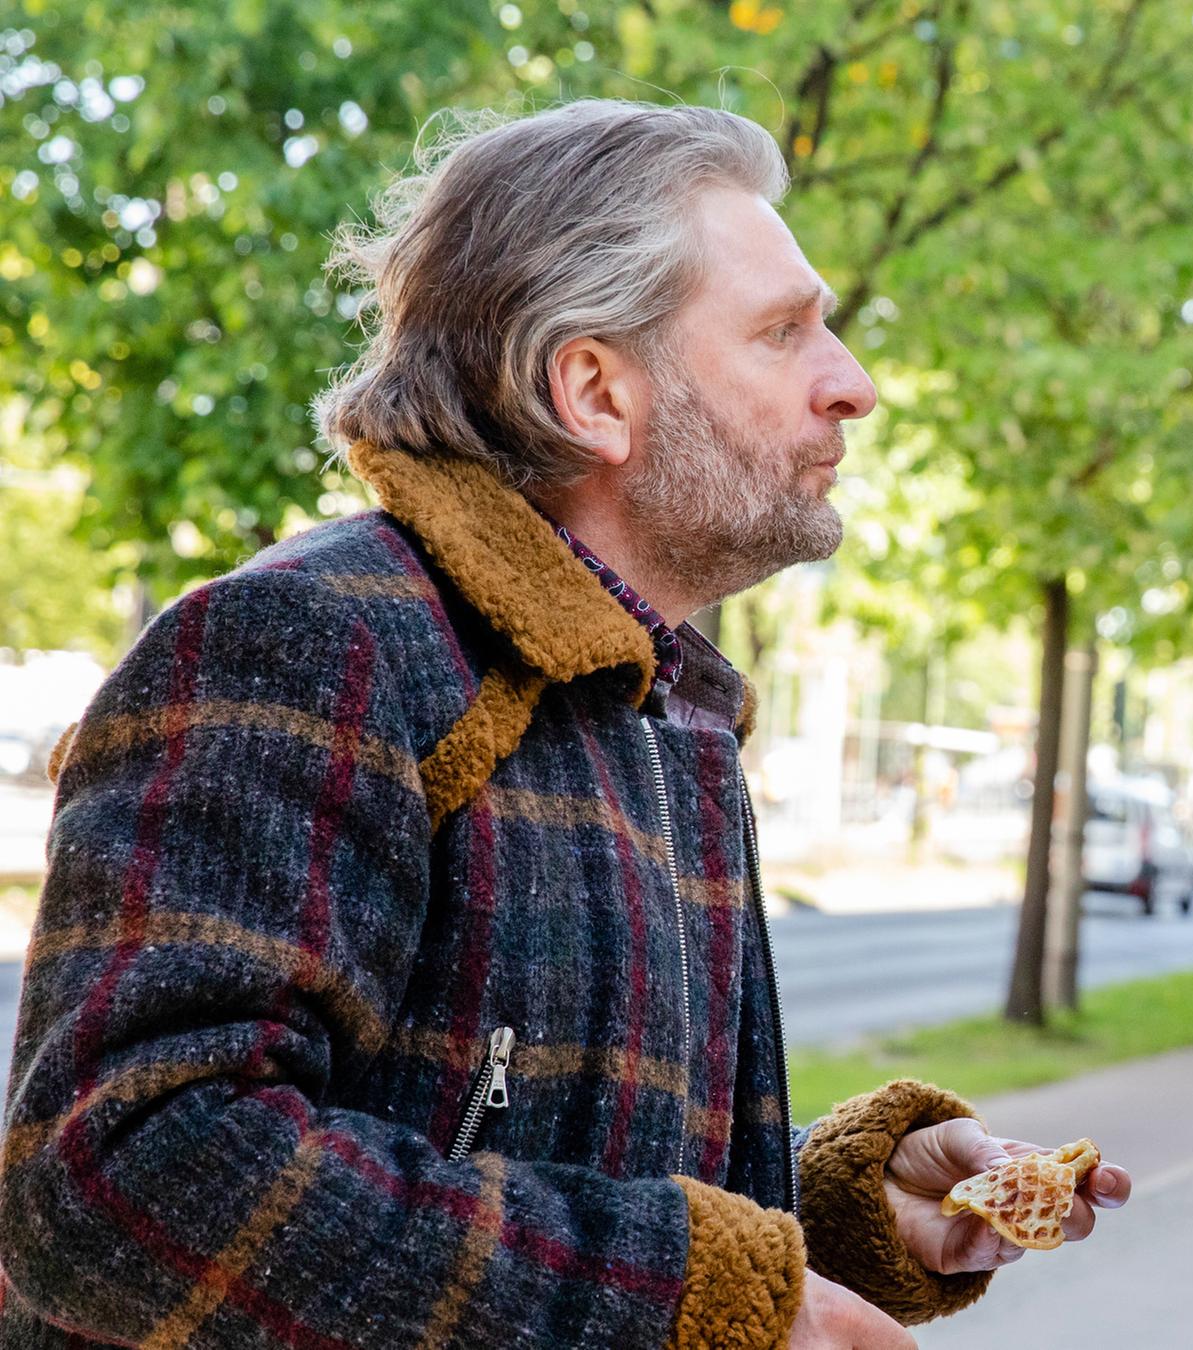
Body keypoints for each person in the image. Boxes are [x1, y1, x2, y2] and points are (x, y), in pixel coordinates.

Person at [0, 100, 1128, 1349]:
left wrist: (846, 1219)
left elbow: (523, 1164)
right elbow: (120, 1180)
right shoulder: (314, 647)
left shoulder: (660, 710)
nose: (852, 385)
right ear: (595, 389)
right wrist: (696, 1297)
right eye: (784, 333)